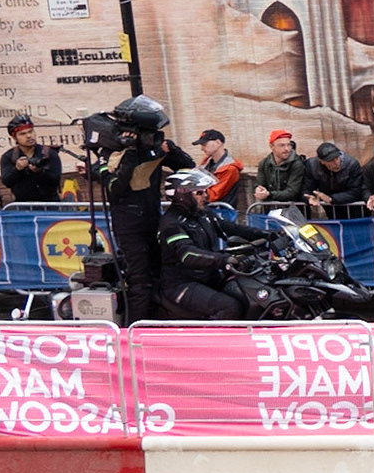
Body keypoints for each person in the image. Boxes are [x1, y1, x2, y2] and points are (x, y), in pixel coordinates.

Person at [102, 95, 193, 323]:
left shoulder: (155, 150)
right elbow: (115, 189)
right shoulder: (111, 153)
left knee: (159, 273)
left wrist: (170, 151)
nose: (152, 139)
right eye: (149, 134)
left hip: (153, 220)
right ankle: (135, 331)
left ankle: (158, 321)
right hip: (129, 227)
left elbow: (187, 166)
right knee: (139, 281)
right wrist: (131, 153)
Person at [157, 168, 271, 320]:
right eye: (199, 192)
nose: (206, 196)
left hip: (207, 277)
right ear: (182, 195)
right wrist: (225, 260)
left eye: (205, 191)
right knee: (230, 307)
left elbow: (230, 228)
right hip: (181, 284)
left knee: (248, 295)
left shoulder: (202, 214)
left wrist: (267, 234)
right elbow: (188, 254)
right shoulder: (171, 223)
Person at [0, 115, 63, 203]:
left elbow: (55, 180)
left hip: (51, 203)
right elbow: (7, 182)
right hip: (23, 205)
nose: (29, 136)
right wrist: (17, 169)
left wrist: (39, 171)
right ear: (15, 137)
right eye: (23, 134)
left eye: (31, 131)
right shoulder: (9, 156)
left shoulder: (48, 153)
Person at [304, 142, 366, 220]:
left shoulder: (352, 164)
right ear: (322, 161)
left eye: (337, 158)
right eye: (331, 160)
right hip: (330, 207)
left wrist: (331, 199)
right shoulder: (312, 166)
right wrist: (309, 198)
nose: (336, 163)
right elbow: (306, 187)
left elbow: (356, 191)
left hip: (353, 206)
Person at [254, 130, 308, 207]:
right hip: (270, 209)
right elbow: (260, 183)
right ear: (272, 147)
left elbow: (292, 192)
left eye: (289, 145)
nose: (287, 149)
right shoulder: (264, 163)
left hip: (293, 209)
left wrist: (269, 194)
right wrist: (258, 190)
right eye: (282, 145)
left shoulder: (297, 164)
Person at [190, 129, 241, 205]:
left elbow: (213, 195)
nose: (202, 149)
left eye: (204, 144)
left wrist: (191, 192)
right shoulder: (206, 162)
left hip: (222, 211)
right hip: (206, 207)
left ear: (218, 142)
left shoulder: (230, 168)